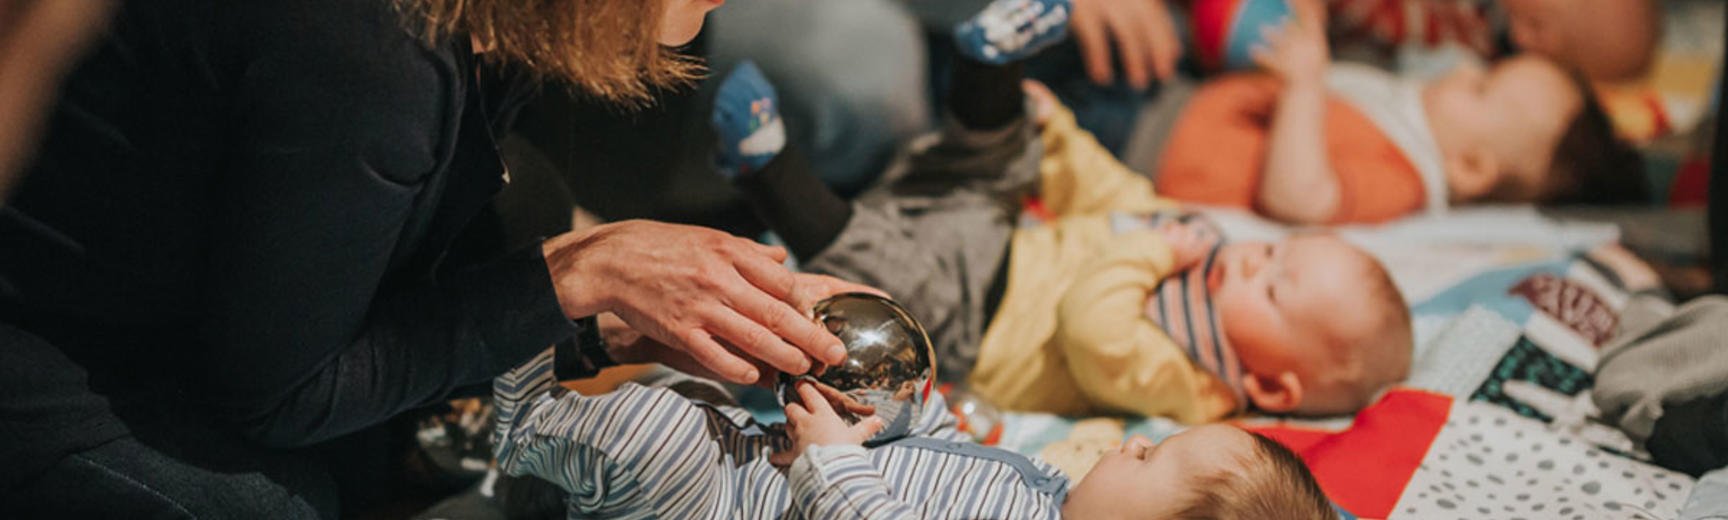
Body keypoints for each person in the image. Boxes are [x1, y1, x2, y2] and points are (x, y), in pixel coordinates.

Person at [0, 0, 872, 516]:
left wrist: (608, 321)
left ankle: (414, 446)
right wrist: (578, 275)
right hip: (54, 334)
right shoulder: (376, 66)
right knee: (268, 503)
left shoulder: (473, 34)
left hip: (206, 259)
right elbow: (274, 394)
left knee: (518, 202)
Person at [712, 0, 1412, 423]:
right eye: (1278, 252)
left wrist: (1156, 255)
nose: (1256, 258)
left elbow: (1093, 332)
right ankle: (992, 63)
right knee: (996, 154)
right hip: (997, 231)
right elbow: (1113, 197)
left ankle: (769, 167)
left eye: (1274, 286)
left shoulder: (1192, 381)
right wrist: (1061, 140)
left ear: (1270, 383)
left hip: (969, 319)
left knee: (874, 273)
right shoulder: (1203, 240)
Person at [490, 347, 1337, 519]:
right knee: (685, 387)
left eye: (1151, 458)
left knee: (656, 433)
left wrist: (828, 459)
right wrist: (900, 403)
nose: (1130, 442)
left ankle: (516, 419)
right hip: (773, 464)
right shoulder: (1048, 491)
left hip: (724, 507)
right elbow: (942, 459)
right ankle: (547, 479)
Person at [1140, 0, 1644, 224]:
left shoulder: (1405, 177)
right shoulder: (1412, 109)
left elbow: (1300, 199)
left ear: (1469, 168)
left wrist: (1303, 85)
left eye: (1483, 89)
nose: (1469, 72)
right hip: (1176, 98)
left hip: (1155, 145)